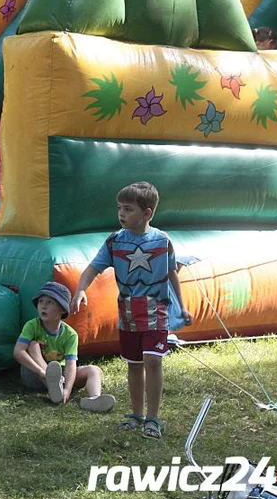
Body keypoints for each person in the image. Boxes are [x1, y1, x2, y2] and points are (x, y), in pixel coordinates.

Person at [71, 182, 192, 441]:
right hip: (127, 312)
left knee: (153, 360)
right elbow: (93, 268)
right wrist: (81, 289)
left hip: (156, 309)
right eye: (119, 208)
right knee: (135, 365)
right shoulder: (115, 241)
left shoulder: (162, 241)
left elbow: (172, 274)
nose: (121, 214)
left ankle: (153, 418)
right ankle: (136, 415)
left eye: (128, 209)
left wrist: (182, 306)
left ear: (147, 213)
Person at [13, 282, 115, 412]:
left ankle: (94, 399)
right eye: (41, 301)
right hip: (35, 373)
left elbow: (71, 364)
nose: (43, 306)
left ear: (62, 309)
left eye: (50, 302)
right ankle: (51, 381)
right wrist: (41, 372)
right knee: (33, 345)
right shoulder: (32, 325)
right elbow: (18, 351)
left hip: (60, 376)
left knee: (94, 370)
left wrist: (67, 388)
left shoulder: (71, 335)